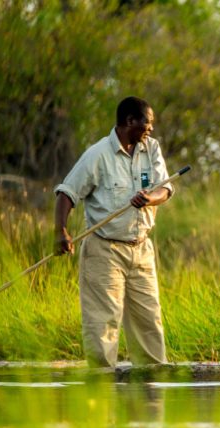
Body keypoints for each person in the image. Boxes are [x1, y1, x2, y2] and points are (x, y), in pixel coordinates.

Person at [54, 96, 175, 367]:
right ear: (130, 121)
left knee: (149, 321)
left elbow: (165, 188)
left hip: (141, 248)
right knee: (103, 322)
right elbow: (66, 193)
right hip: (104, 250)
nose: (151, 129)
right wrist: (60, 231)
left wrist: (149, 198)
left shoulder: (151, 148)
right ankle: (102, 390)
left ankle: (151, 391)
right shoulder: (97, 155)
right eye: (148, 122)